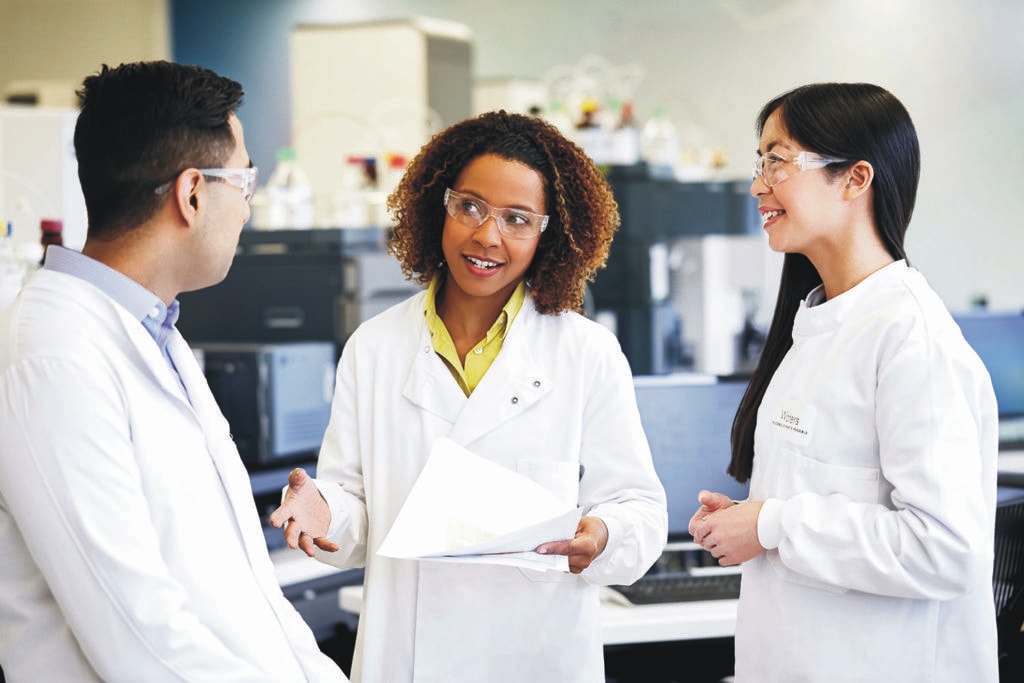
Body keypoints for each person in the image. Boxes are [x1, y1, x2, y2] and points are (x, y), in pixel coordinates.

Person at [270, 110, 668, 683]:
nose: (487, 235)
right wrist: (324, 509)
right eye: (470, 207)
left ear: (550, 233)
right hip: (407, 658)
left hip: (534, 655)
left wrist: (604, 535)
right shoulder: (375, 347)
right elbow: (356, 511)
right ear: (441, 206)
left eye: (518, 219)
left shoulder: (587, 354)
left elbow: (639, 509)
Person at [0, 61, 346, 682]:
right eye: (245, 183)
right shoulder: (53, 354)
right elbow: (138, 636)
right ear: (192, 193)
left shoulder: (152, 333)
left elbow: (254, 601)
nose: (247, 208)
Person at [687, 83, 999, 682]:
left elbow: (945, 550)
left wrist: (773, 524)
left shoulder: (911, 339)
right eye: (760, 163)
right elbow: (821, 502)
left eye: (777, 161)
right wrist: (752, 521)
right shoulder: (820, 323)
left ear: (856, 179)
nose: (758, 185)